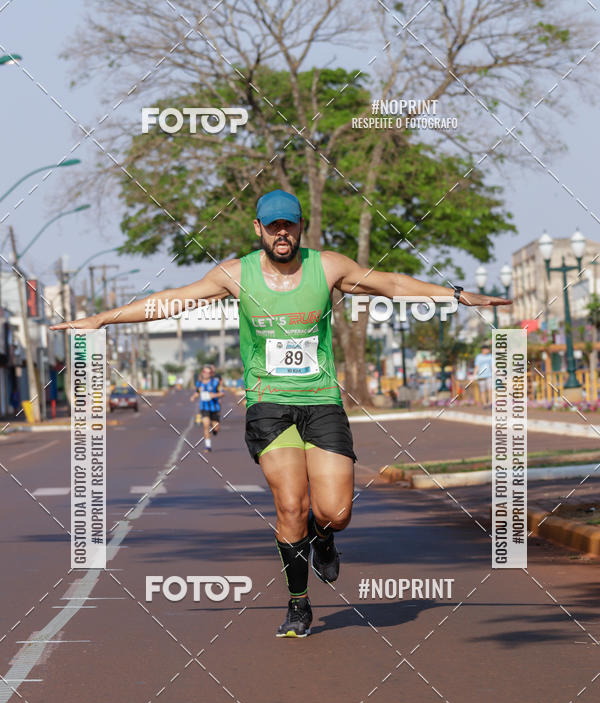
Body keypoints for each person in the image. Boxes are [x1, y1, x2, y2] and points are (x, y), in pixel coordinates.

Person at [52, 189, 509, 638]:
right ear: (259, 230)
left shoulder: (328, 266)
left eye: (289, 224)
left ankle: (324, 537)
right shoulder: (235, 274)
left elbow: (389, 283)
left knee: (335, 512)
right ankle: (298, 603)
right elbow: (170, 300)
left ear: (300, 226)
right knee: (291, 503)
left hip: (322, 401)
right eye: (273, 226)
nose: (282, 233)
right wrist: (101, 319)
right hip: (268, 405)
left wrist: (457, 295)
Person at [190, 364, 224, 450]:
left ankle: (215, 430)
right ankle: (208, 446)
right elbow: (197, 392)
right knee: (206, 425)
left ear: (211, 374)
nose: (206, 374)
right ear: (202, 373)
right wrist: (193, 397)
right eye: (204, 372)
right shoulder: (199, 383)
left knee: (216, 428)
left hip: (214, 408)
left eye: (208, 372)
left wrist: (214, 395)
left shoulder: (215, 382)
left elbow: (222, 393)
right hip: (204, 408)